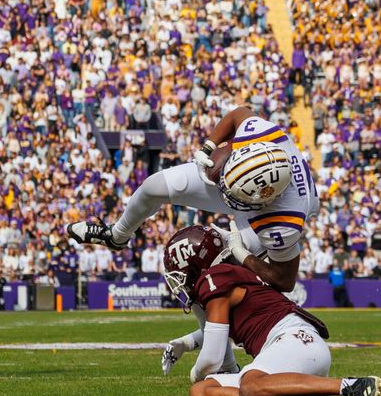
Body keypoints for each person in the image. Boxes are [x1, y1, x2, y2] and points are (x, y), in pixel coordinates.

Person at [68, 105, 319, 294]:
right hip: (248, 182)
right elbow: (238, 114)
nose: (225, 194)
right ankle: (116, 236)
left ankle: (220, 356)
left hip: (263, 213)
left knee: (210, 269)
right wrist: (210, 146)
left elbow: (285, 280)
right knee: (155, 186)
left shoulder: (283, 223)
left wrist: (243, 255)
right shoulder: (262, 135)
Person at [162, 226, 381, 396]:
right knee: (200, 393)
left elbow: (212, 360)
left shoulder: (214, 279)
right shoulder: (226, 277)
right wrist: (188, 342)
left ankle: (352, 385)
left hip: (295, 342)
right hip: (287, 351)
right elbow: (220, 330)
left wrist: (195, 374)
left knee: (249, 386)